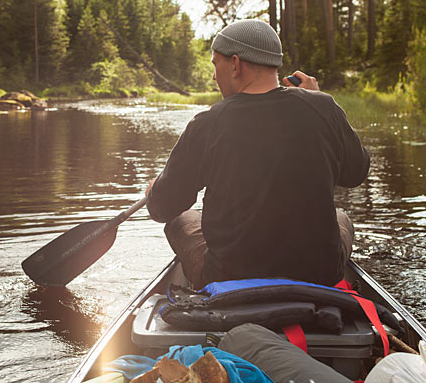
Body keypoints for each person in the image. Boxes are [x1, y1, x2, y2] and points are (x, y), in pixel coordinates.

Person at [145, 19, 370, 289]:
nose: (214, 76)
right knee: (341, 217)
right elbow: (356, 171)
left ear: (236, 64)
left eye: (216, 64)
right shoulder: (323, 107)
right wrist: (320, 101)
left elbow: (162, 208)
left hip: (230, 276)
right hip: (320, 274)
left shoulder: (207, 123)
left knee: (180, 218)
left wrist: (153, 192)